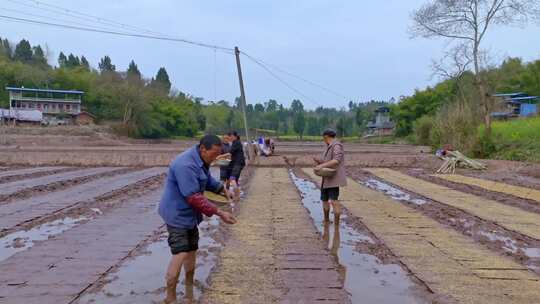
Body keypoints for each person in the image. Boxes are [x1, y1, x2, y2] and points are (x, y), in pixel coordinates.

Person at [158, 135, 237, 304]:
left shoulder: (202, 161)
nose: (216, 158)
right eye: (214, 154)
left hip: (190, 215)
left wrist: (223, 191)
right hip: (176, 214)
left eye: (218, 154)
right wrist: (220, 213)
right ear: (203, 149)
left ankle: (188, 293)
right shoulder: (185, 165)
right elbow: (193, 197)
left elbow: (207, 180)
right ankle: (170, 298)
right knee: (181, 252)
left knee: (192, 249)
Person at [313, 129, 347, 224]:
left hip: (333, 178)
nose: (323, 140)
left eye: (323, 138)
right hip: (327, 178)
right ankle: (326, 220)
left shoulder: (336, 145)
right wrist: (320, 161)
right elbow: (329, 161)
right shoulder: (329, 146)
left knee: (334, 200)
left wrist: (321, 166)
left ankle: (336, 224)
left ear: (326, 136)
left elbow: (336, 160)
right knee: (324, 199)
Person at [228, 131, 246, 202]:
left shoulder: (236, 142)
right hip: (238, 163)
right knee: (235, 180)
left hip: (238, 163)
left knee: (232, 179)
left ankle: (236, 196)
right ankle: (237, 197)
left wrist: (219, 156)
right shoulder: (236, 142)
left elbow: (230, 152)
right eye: (230, 136)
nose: (230, 137)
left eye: (231, 136)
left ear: (235, 136)